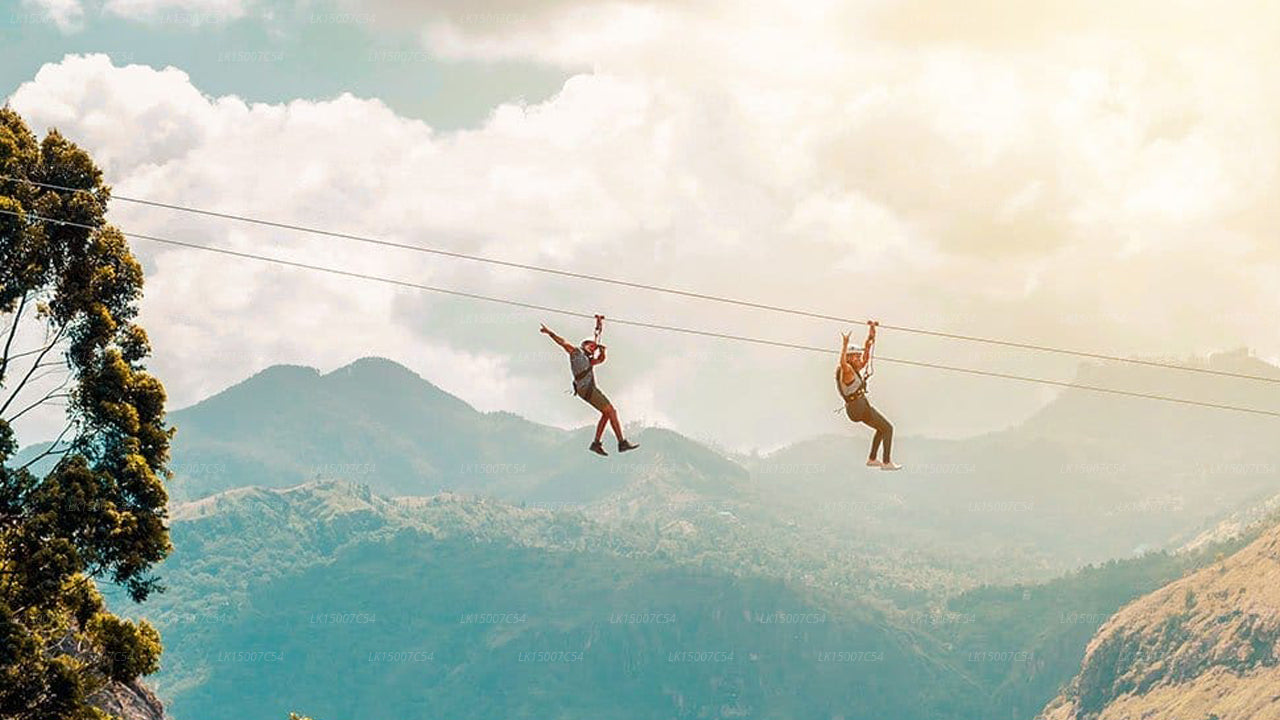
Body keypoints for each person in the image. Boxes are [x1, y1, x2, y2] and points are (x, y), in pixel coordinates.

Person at [541, 323, 639, 456]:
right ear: (584, 345)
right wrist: (550, 333)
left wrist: (602, 351)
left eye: (594, 348)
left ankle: (596, 444)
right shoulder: (576, 353)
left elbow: (600, 359)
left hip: (588, 389)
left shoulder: (588, 359)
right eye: (591, 346)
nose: (593, 349)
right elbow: (562, 342)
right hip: (587, 389)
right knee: (612, 411)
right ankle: (621, 442)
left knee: (606, 414)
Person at [837, 321, 900, 470]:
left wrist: (870, 337)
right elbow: (843, 362)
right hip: (858, 408)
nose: (860, 360)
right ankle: (886, 462)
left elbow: (865, 359)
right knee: (889, 428)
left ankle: (872, 459)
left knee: (883, 429)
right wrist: (845, 345)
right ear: (850, 358)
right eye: (856, 357)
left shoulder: (853, 369)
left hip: (858, 407)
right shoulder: (847, 371)